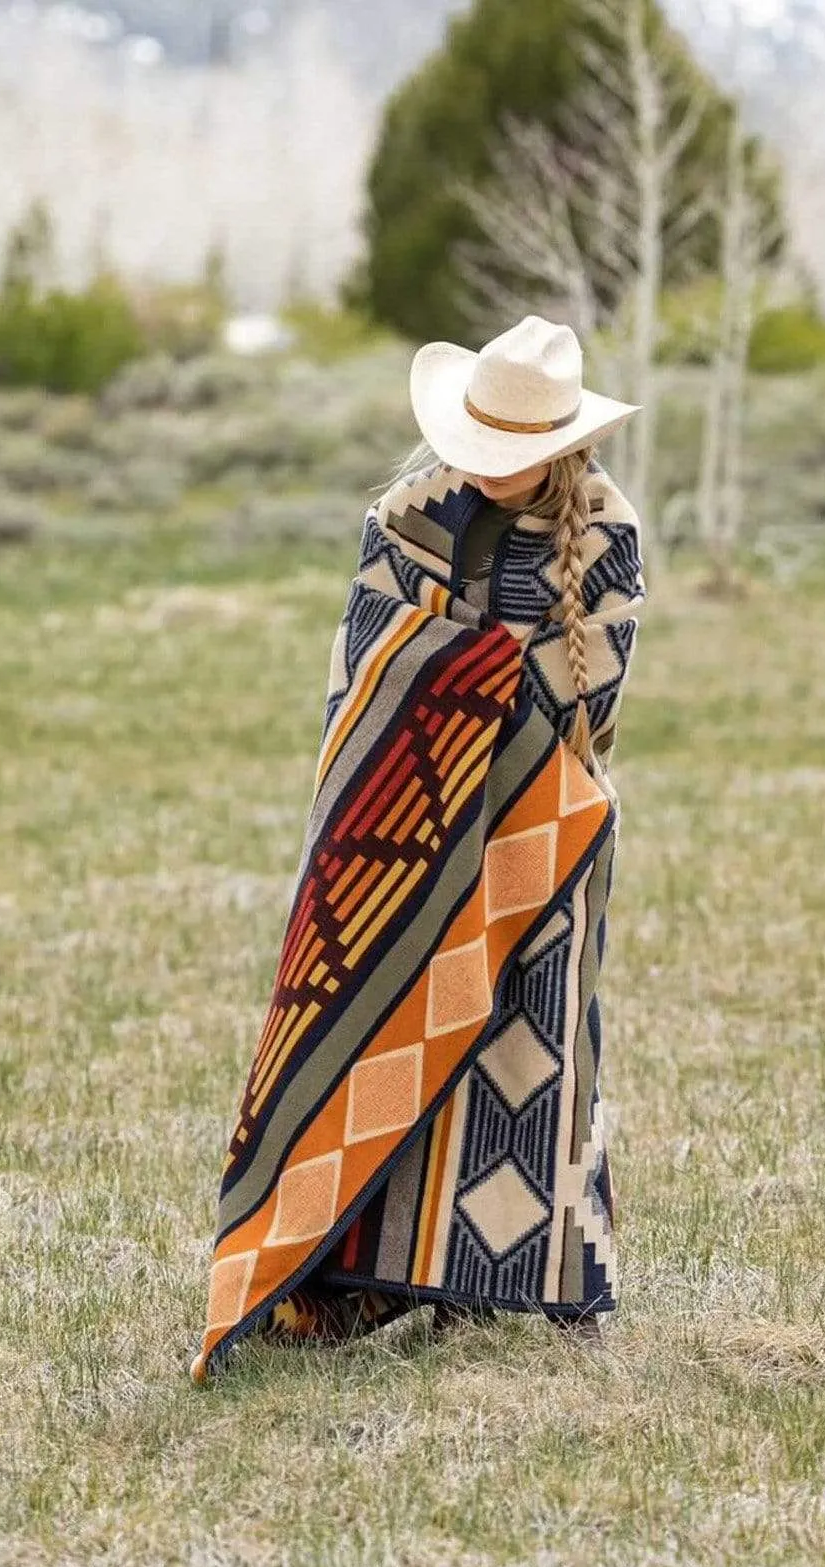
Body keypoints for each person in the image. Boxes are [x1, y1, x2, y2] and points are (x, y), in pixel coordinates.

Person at [190, 314, 648, 1383]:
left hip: (544, 837)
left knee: (540, 1039)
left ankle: (531, 1276)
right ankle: (383, 1273)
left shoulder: (606, 532)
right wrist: (467, 675)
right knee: (388, 1025)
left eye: (515, 453)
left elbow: (593, 697)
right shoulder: (404, 517)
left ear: (559, 444)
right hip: (400, 842)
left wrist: (467, 677)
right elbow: (365, 675)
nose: (492, 472)